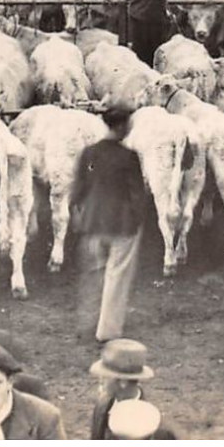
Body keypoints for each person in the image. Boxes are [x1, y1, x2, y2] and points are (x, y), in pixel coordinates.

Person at [71, 103, 147, 344]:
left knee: (94, 274)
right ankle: (108, 331)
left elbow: (78, 189)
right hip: (122, 223)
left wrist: (77, 213)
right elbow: (137, 193)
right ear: (123, 126)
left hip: (93, 221)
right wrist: (139, 219)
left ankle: (86, 324)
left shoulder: (89, 153)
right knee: (117, 276)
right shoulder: (129, 156)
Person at [88, 339, 160, 440]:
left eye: (106, 376)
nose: (100, 380)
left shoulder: (147, 422)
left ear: (123, 382)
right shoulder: (103, 404)